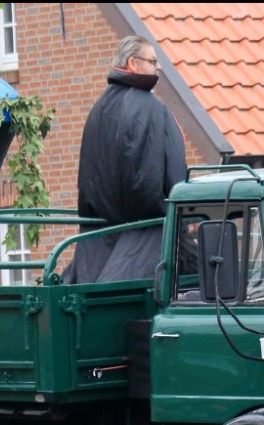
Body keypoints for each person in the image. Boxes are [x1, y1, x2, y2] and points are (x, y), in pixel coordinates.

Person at [64, 35, 187, 284]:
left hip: (95, 246)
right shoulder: (153, 109)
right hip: (147, 241)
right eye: (153, 61)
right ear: (133, 63)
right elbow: (170, 179)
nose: (159, 67)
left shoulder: (98, 109)